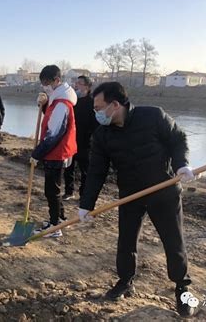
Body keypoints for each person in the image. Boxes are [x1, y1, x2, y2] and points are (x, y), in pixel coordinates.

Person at [77, 82, 198, 317]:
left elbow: (177, 139)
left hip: (163, 191)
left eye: (99, 107)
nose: (96, 113)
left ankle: (183, 290)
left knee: (173, 243)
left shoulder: (153, 116)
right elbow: (96, 172)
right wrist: (86, 205)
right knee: (126, 241)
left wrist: (182, 164)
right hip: (130, 194)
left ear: (115, 104)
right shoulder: (102, 135)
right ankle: (125, 282)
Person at [30, 65, 77, 238]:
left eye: (47, 83)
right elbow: (51, 122)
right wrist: (43, 106)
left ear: (57, 81)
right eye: (42, 83)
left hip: (57, 152)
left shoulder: (62, 103)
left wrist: (37, 154)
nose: (45, 86)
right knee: (54, 189)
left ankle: (55, 226)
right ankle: (61, 218)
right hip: (57, 151)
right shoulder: (57, 100)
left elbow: (54, 134)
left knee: (52, 191)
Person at [63, 75, 98, 200]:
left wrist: (94, 139)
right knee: (68, 167)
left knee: (85, 170)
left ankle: (83, 194)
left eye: (79, 83)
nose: (76, 85)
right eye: (76, 83)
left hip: (85, 142)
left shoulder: (92, 102)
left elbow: (96, 124)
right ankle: (68, 191)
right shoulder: (73, 101)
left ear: (87, 87)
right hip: (71, 140)